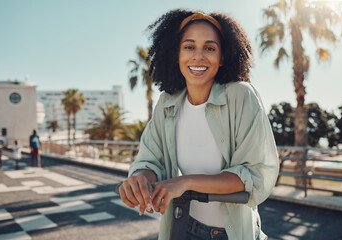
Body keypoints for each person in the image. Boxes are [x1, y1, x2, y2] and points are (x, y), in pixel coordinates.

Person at [119, 10, 279, 240]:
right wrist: (141, 178)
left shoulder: (241, 96)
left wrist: (185, 182)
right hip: (183, 227)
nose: (198, 56)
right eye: (189, 46)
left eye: (210, 48)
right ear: (177, 54)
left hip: (231, 234)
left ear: (222, 57)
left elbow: (253, 176)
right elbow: (150, 159)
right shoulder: (167, 103)